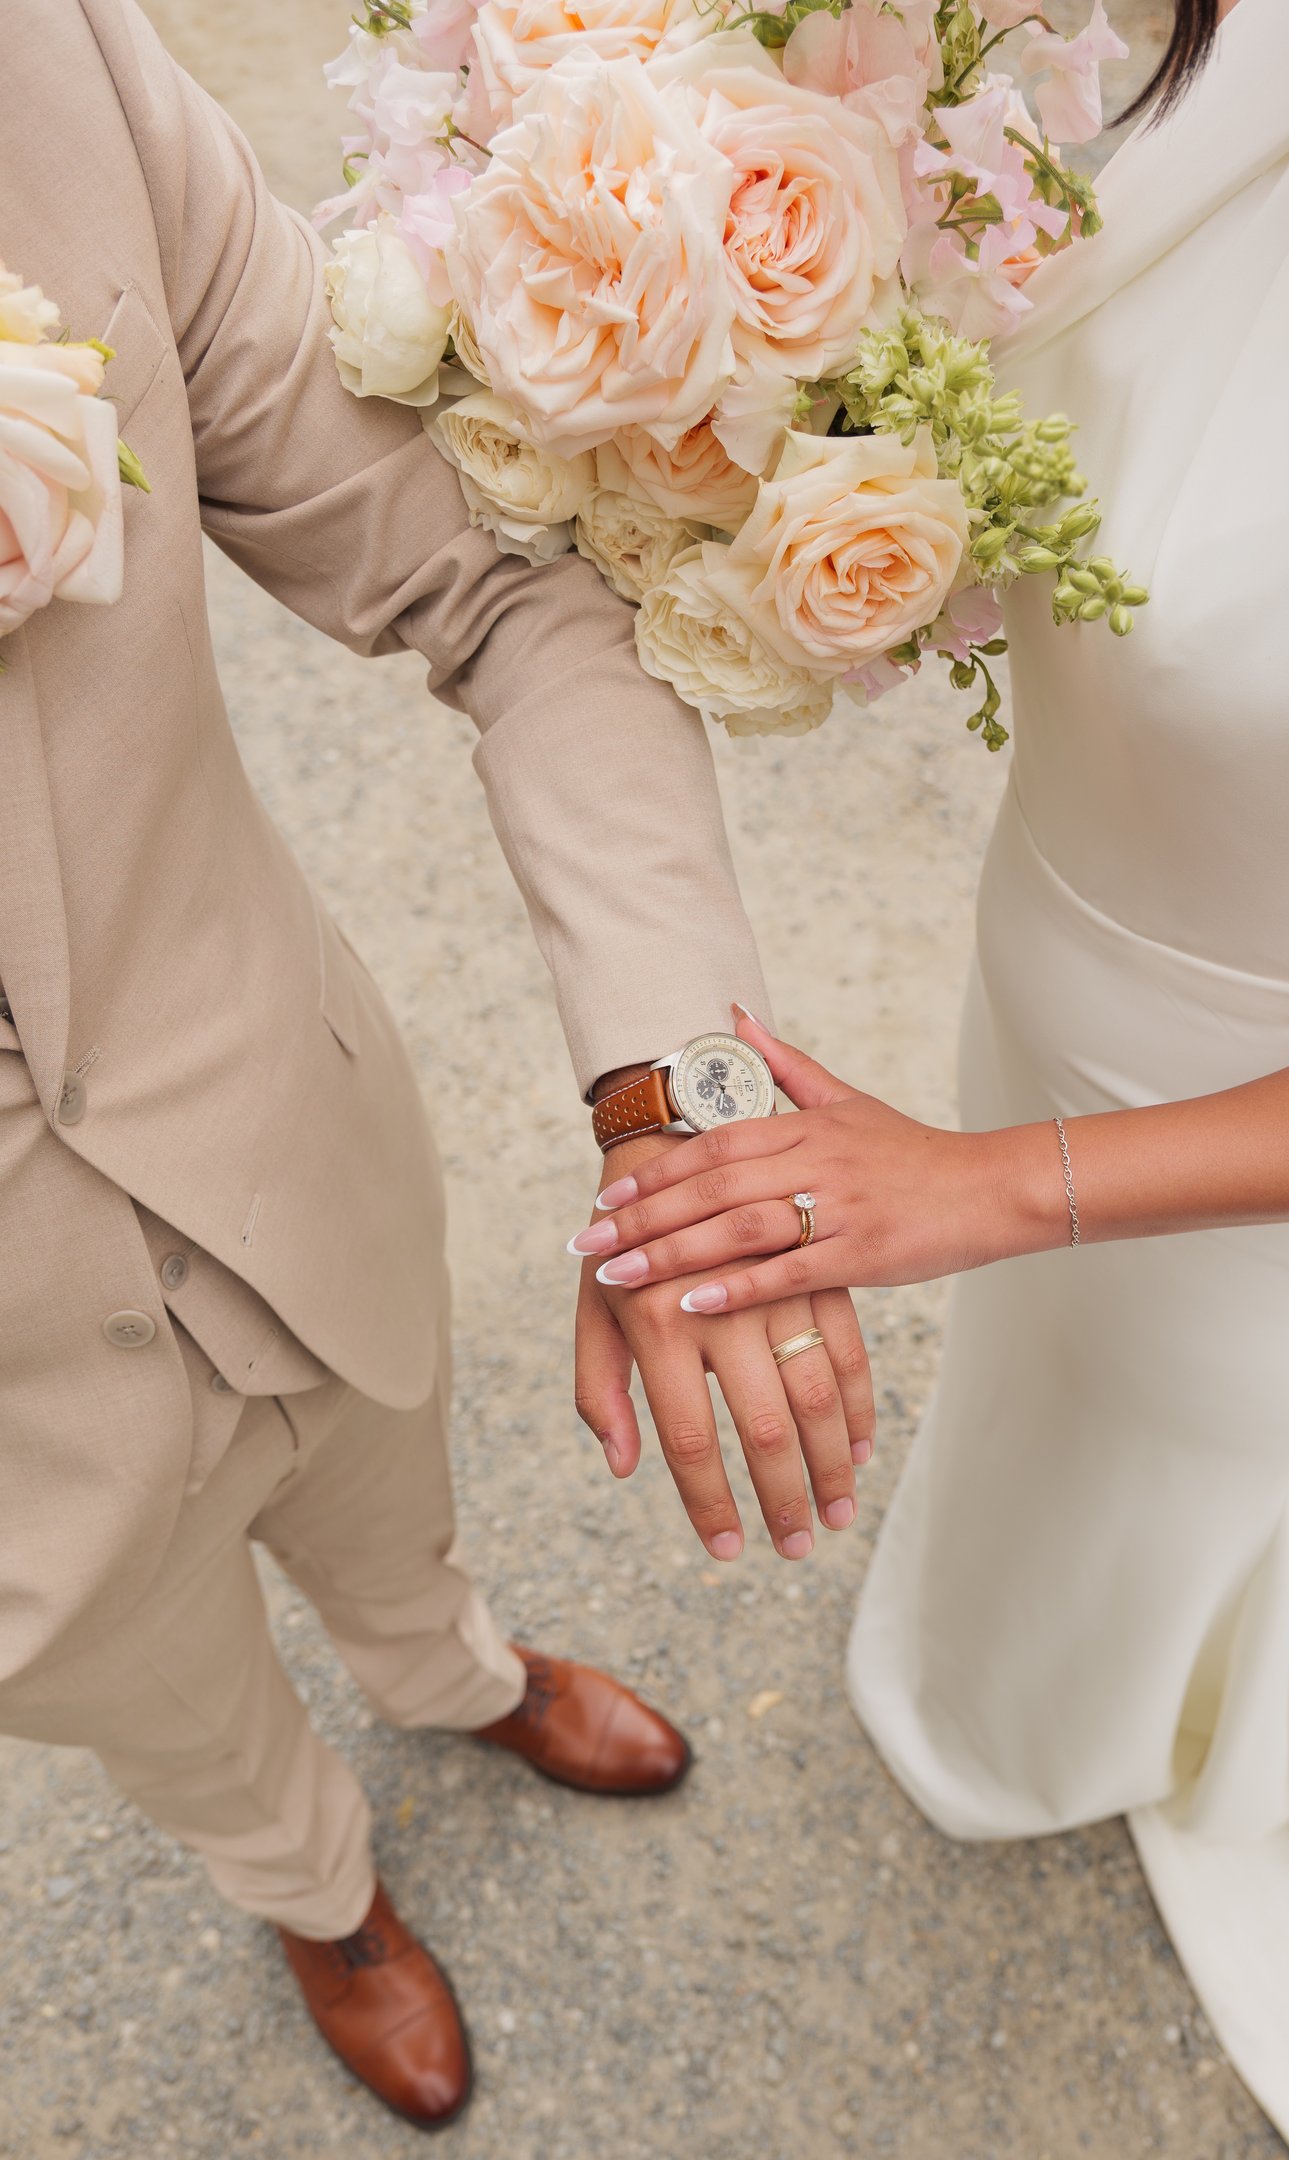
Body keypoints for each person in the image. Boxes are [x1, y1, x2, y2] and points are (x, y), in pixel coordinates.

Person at [572, 0, 1289, 2151]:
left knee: (1143, 1466)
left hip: (1263, 1150)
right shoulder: (1259, 42)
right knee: (1042, 1421)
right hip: (1044, 953)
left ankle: (1060, 1734)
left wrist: (992, 1184)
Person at [0, 0, 872, 2130]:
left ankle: (456, 1677)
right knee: (185, 1717)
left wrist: (679, 1101)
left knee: (398, 1509)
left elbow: (494, 574)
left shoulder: (49, 63)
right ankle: (322, 1897)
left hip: (281, 1116)